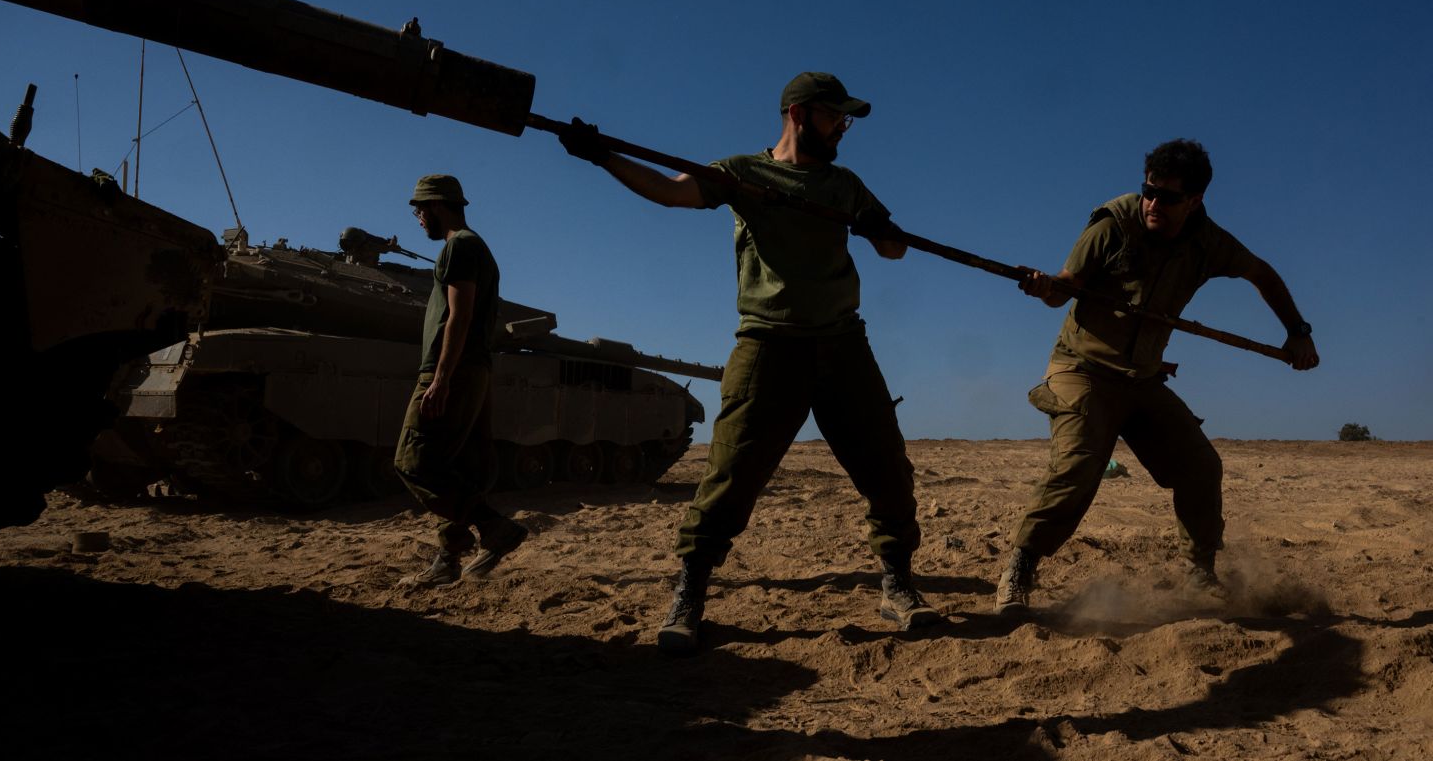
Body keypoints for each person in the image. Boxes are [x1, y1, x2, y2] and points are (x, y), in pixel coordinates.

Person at [559, 72, 940, 655]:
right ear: (798, 113)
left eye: (846, 119)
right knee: (730, 476)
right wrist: (602, 156)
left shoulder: (844, 185)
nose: (843, 127)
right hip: (767, 346)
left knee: (888, 469)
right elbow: (669, 191)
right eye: (835, 116)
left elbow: (894, 248)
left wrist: (878, 229)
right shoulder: (742, 174)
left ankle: (898, 586)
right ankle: (689, 592)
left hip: (843, 345)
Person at [997, 139, 1320, 613]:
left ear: (1195, 201)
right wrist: (1047, 287)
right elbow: (1064, 288)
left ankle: (1201, 575)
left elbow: (1263, 274)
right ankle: (1019, 569)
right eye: (1148, 191)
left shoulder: (1210, 244)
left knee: (1201, 466)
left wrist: (1297, 332)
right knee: (1079, 464)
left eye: (1168, 197)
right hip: (1081, 368)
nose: (1153, 204)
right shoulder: (1113, 224)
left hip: (1142, 377)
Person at [395, 174, 528, 586]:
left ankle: (493, 528)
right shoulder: (473, 247)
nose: (418, 218)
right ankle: (449, 559)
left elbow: (460, 314)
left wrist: (440, 378)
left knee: (412, 461)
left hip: (453, 369)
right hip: (472, 369)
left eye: (420, 209)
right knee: (461, 469)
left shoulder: (460, 246)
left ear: (437, 205)